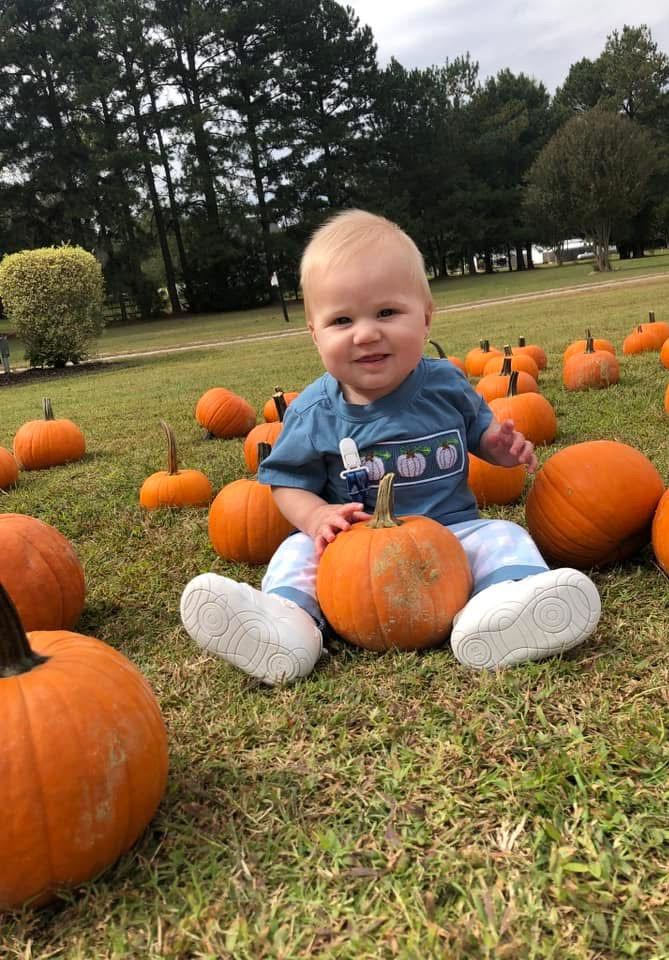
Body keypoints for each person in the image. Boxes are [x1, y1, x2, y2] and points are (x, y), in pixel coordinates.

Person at [180, 210, 601, 685]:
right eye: (342, 320)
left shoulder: (445, 383)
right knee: (296, 553)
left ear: (424, 317)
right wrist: (318, 517)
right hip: (351, 551)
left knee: (502, 536)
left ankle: (503, 607)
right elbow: (284, 483)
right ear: (315, 335)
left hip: (449, 534)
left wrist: (500, 448)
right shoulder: (312, 411)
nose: (366, 333)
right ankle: (287, 625)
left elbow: (478, 432)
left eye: (386, 312)